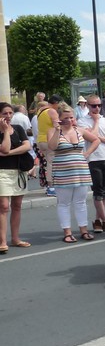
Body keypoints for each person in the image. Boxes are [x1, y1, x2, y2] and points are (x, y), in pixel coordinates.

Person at [47, 104, 99, 242]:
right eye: (65, 118)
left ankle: (84, 230)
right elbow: (52, 147)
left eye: (71, 117)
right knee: (64, 203)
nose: (69, 120)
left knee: (80, 202)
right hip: (62, 172)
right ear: (59, 119)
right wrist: (58, 129)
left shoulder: (79, 131)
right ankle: (67, 232)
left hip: (81, 171)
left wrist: (87, 153)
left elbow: (96, 140)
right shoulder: (52, 131)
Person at [77, 94, 105, 233]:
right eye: (93, 105)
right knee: (98, 191)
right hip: (93, 159)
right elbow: (90, 138)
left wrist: (99, 137)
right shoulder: (82, 121)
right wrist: (96, 123)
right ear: (87, 106)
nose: (97, 108)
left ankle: (98, 220)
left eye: (99, 105)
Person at [0, 102, 33, 252]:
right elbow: (5, 147)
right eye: (4, 114)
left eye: (10, 113)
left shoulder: (19, 128)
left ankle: (15, 238)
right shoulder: (4, 131)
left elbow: (27, 146)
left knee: (17, 206)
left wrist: (10, 153)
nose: (8, 116)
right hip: (2, 172)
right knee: (4, 206)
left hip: (19, 171)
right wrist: (6, 131)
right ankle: (2, 241)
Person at [36, 95, 61, 196]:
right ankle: (51, 187)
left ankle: (49, 186)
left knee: (48, 162)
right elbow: (57, 125)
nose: (59, 107)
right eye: (58, 105)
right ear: (55, 102)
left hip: (41, 139)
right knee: (52, 163)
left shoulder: (41, 111)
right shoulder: (52, 111)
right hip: (50, 139)